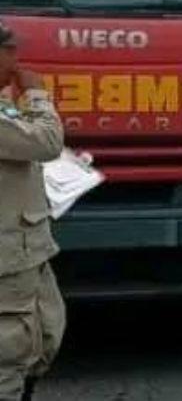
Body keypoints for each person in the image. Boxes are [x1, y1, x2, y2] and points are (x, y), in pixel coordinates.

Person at [0, 21, 66, 401]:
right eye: (9, 50)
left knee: (42, 332)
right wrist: (38, 96)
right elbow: (47, 141)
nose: (16, 60)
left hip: (26, 250)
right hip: (9, 258)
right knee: (9, 350)